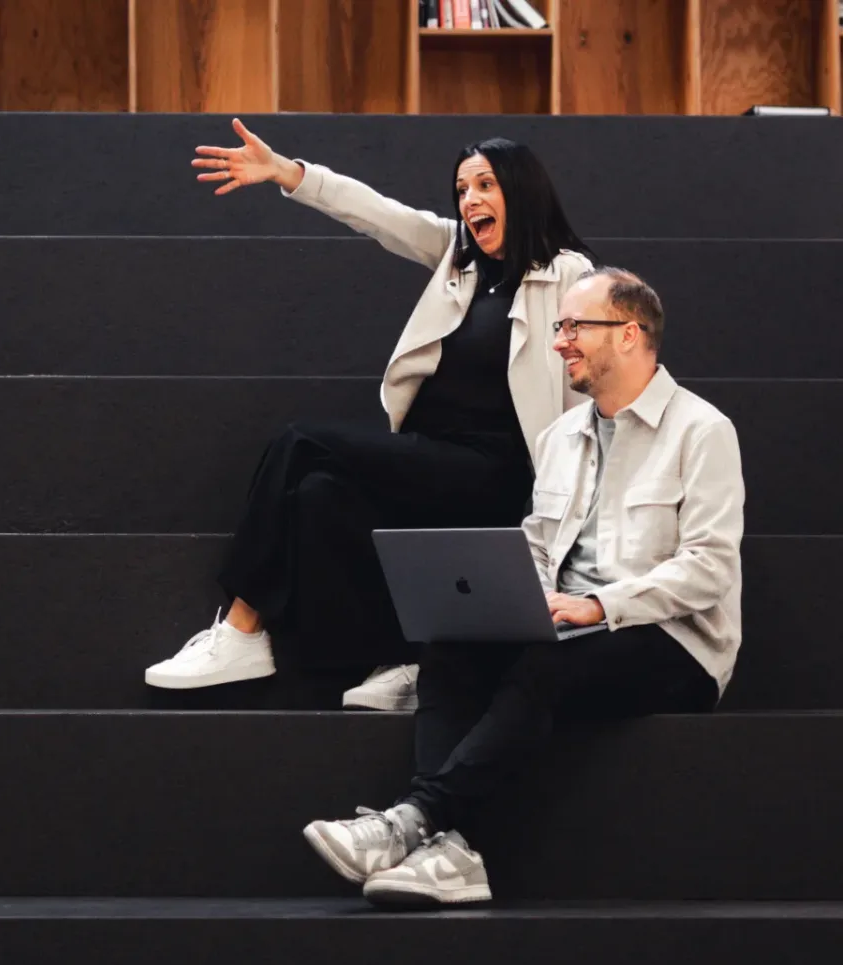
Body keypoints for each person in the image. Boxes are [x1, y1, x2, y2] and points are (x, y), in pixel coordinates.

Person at [303, 267, 745, 906]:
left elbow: (709, 567)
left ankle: (415, 821)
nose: (560, 340)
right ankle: (452, 856)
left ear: (629, 334)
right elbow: (539, 542)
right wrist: (519, 602)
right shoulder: (561, 436)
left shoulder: (702, 431)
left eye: (574, 326)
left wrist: (598, 604)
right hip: (570, 628)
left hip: (674, 642)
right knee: (451, 647)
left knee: (545, 665)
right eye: (559, 326)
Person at [144, 118, 593, 710]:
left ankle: (242, 626)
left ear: (523, 189)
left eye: (485, 185)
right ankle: (403, 659)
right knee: (319, 494)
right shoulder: (457, 258)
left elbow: (588, 384)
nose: (470, 200)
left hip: (496, 468)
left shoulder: (567, 274)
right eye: (461, 190)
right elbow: (378, 214)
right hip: (431, 456)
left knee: (301, 441)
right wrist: (287, 173)